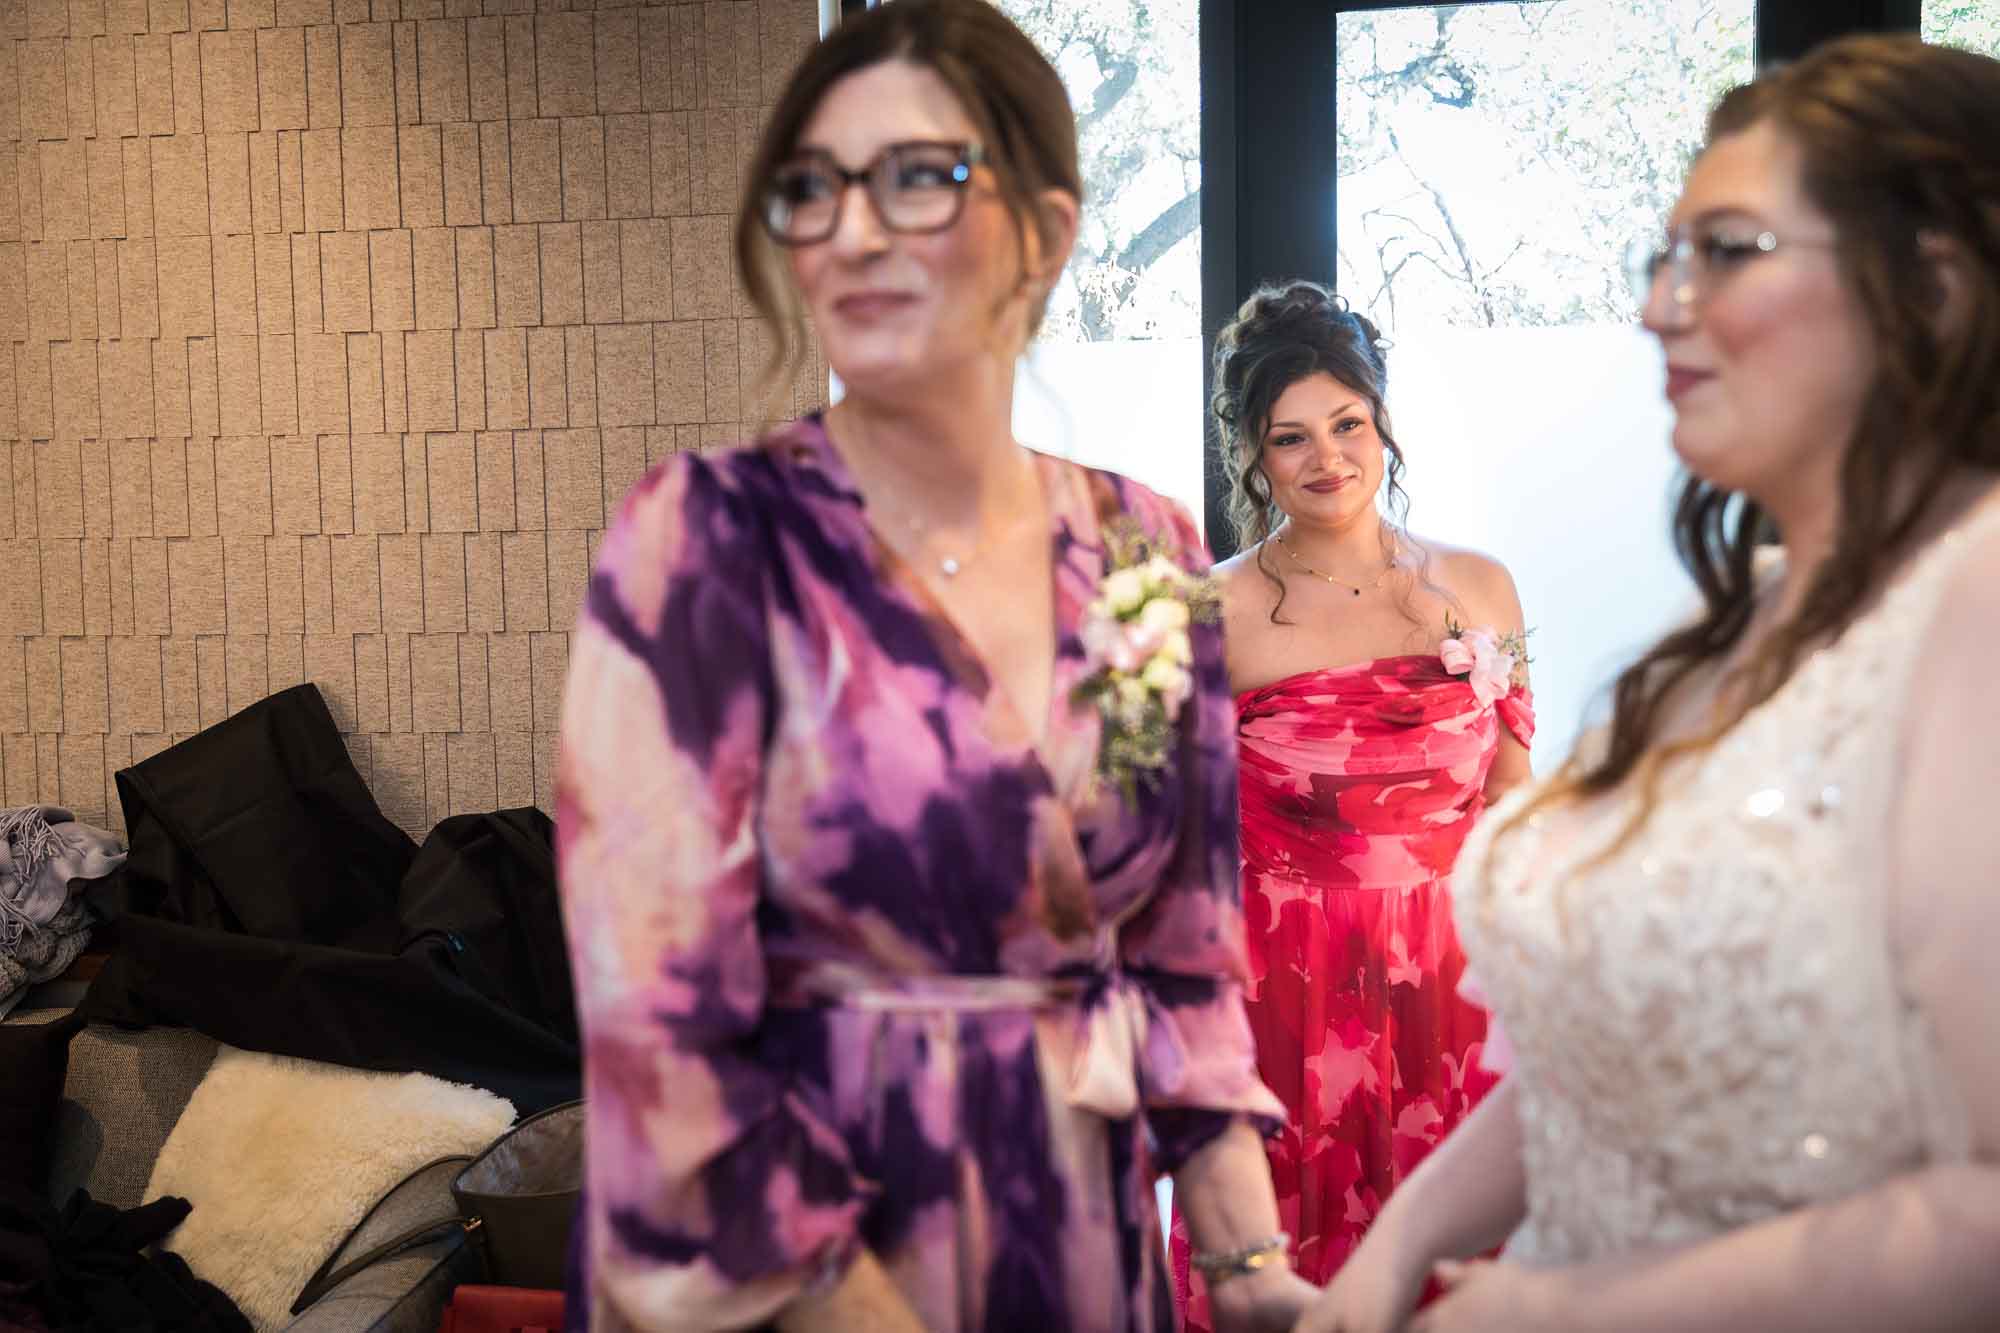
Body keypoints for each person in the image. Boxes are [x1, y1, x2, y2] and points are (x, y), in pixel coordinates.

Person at [554, 3, 1317, 1330]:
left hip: (1074, 1238)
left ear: (1047, 231)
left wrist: (1252, 1274)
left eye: (916, 176)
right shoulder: (707, 542)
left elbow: (1184, 963)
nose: (850, 229)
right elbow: (657, 1032)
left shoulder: (1144, 554)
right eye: (811, 188)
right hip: (789, 1273)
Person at [1299, 33, 2000, 1333]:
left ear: (1930, 285)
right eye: (1662, 258)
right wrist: (1401, 1240)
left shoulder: (1978, 599)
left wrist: (1561, 1311)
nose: (1658, 307)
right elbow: (1607, 1063)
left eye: (1725, 252)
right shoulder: (1713, 631)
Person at [1168, 281, 1535, 1330]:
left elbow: (1512, 797)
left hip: (1456, 977)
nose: (1327, 458)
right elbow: (1173, 845)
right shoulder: (1211, 611)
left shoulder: (1482, 585)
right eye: (1290, 438)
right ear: (1252, 453)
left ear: (1381, 425)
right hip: (1285, 984)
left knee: (1456, 1260)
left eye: (1347, 424)